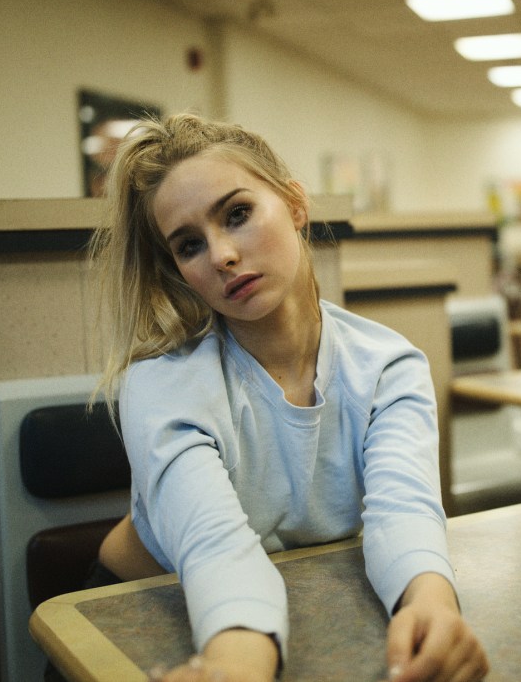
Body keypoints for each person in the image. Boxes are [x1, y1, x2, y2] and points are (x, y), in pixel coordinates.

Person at [89, 112, 489, 682]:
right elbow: (215, 550)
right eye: (189, 245)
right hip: (137, 605)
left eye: (238, 214)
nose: (222, 254)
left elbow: (404, 515)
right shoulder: (162, 384)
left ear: (295, 205)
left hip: (303, 600)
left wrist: (431, 606)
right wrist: (236, 667)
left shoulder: (388, 366)